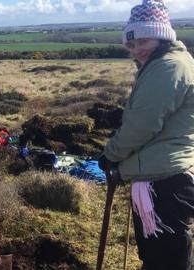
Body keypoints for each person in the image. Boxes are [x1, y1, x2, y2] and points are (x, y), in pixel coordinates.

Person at [99, 0, 194, 269]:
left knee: (165, 260)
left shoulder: (168, 67)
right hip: (163, 176)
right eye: (131, 44)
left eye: (143, 41)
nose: (137, 50)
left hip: (163, 182)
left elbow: (143, 124)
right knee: (162, 257)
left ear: (162, 35)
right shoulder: (166, 63)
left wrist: (111, 154)